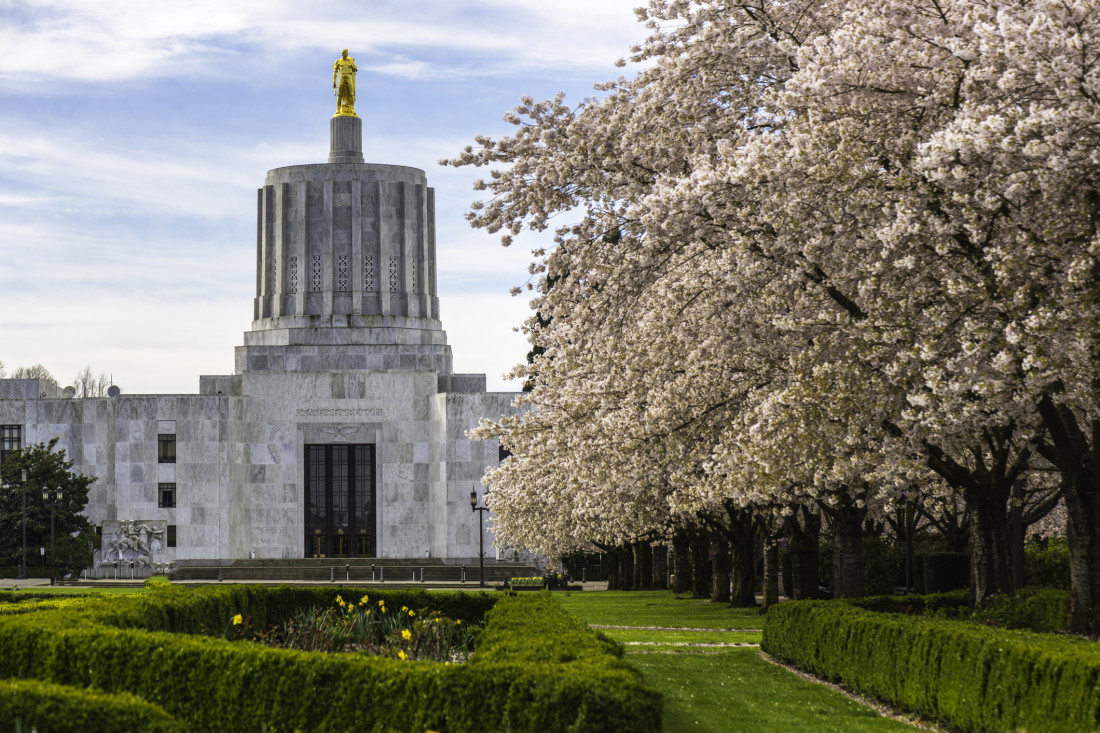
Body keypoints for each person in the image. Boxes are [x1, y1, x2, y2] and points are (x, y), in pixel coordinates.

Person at [333, 49, 358, 116]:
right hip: (342, 76)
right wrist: (334, 81)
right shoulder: (338, 61)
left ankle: (352, 108)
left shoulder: (350, 60)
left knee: (351, 93)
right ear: (342, 54)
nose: (345, 54)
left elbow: (356, 69)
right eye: (344, 53)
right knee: (339, 94)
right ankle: (338, 109)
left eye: (347, 53)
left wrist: (351, 65)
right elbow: (335, 72)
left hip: (349, 76)